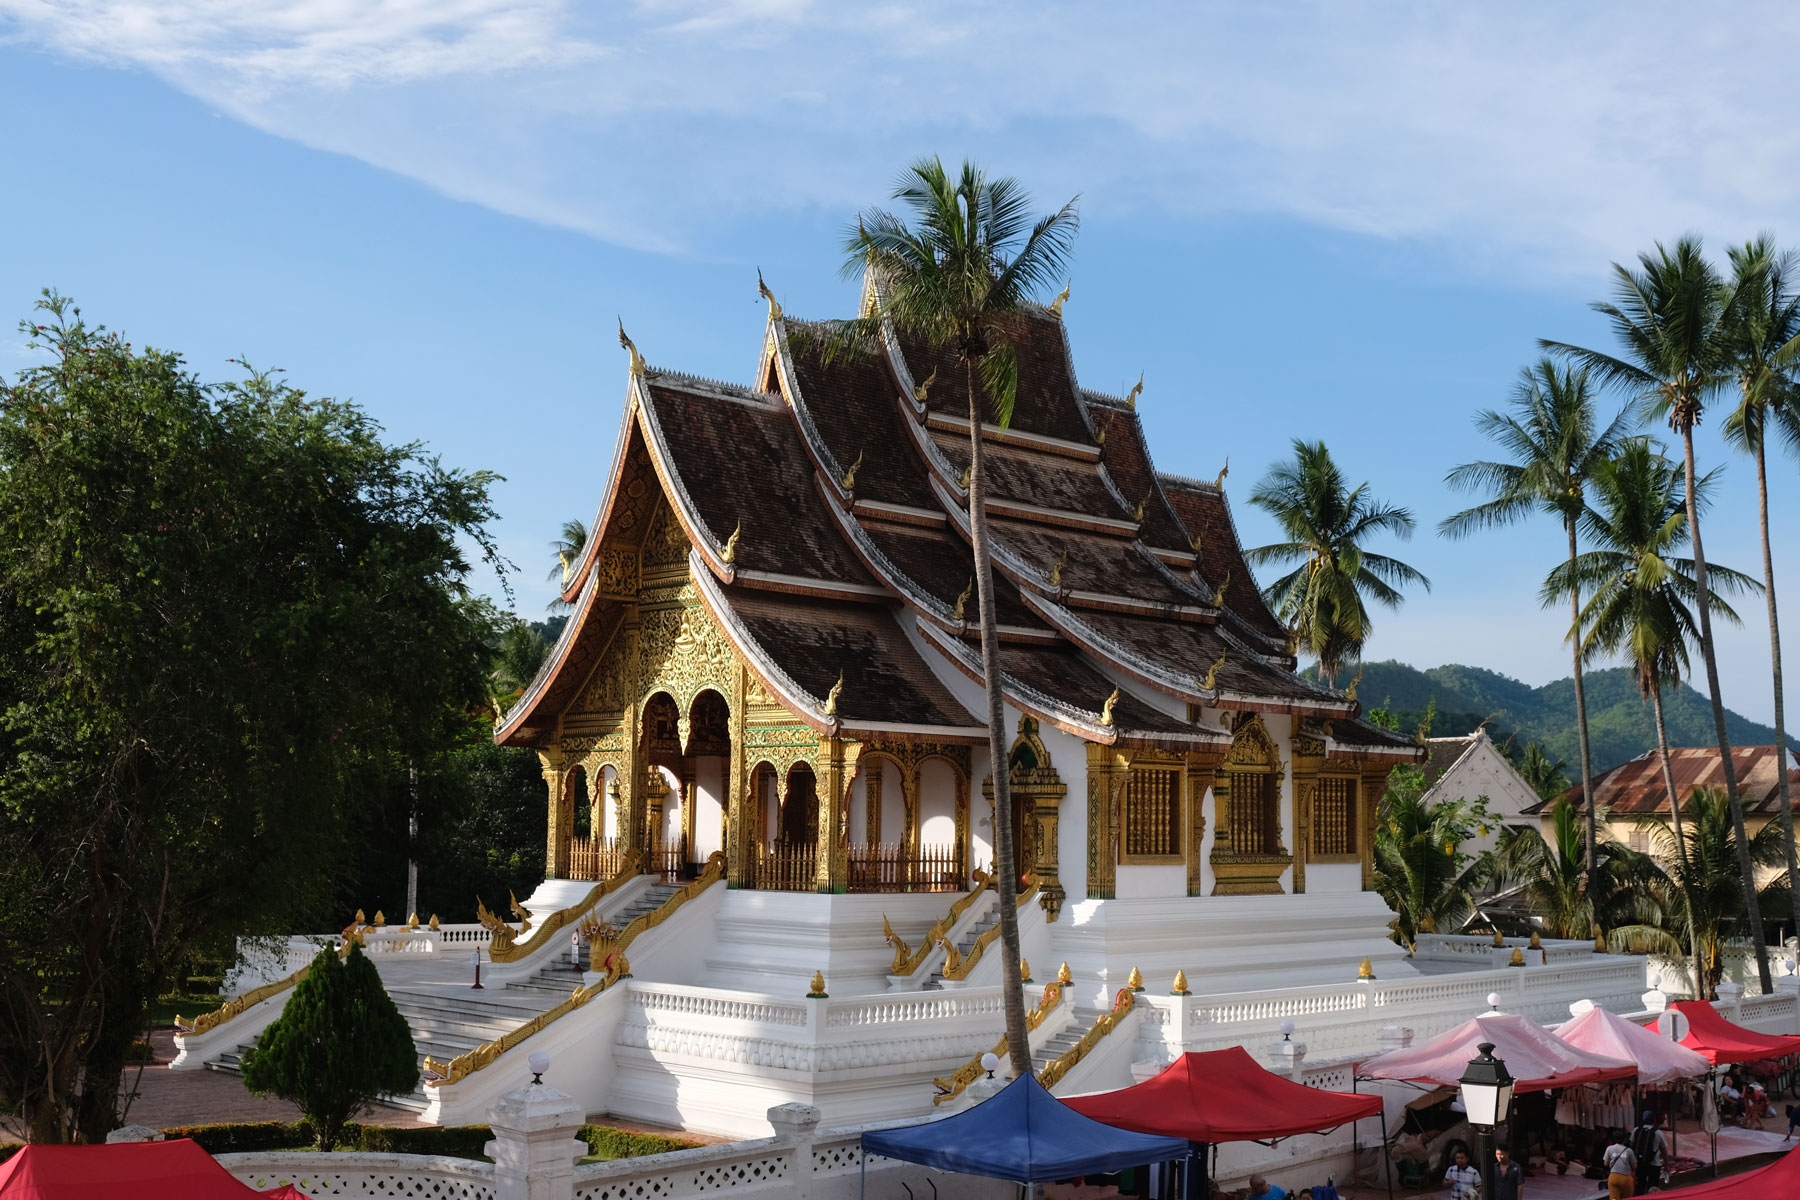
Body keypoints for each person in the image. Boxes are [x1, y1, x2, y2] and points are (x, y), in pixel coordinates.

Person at [1630, 1112, 1666, 1193]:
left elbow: (1631, 1145)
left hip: (1640, 1163)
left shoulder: (1636, 1130)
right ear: (1654, 1120)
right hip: (1655, 1165)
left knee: (1640, 1185)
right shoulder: (1658, 1133)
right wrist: (1667, 1165)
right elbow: (1664, 1150)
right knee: (1653, 1188)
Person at [1601, 1131, 1637, 1200]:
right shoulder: (1629, 1151)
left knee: (1613, 1199)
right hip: (1625, 1178)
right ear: (1624, 1138)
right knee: (1627, 1198)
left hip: (1613, 1177)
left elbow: (1605, 1163)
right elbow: (1634, 1166)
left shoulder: (1609, 1148)